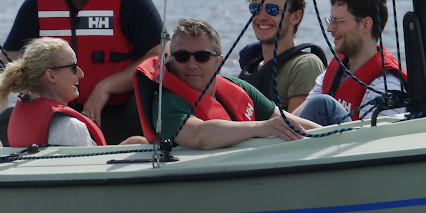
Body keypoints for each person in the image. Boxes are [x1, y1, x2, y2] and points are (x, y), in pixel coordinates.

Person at [3, 0, 163, 144]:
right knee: (3, 120)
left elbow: (159, 55)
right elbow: (10, 56)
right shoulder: (38, 2)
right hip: (57, 112)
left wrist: (106, 86)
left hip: (119, 111)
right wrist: (36, 86)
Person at [134, 18, 321, 149]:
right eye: (182, 56)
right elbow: (200, 136)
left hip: (251, 166)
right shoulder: (167, 101)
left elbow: (287, 119)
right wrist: (262, 127)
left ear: (219, 63)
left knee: (322, 105)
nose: (192, 65)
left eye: (202, 57)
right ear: (171, 60)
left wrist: (333, 135)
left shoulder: (238, 87)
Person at [0, 38, 146, 147]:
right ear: (51, 76)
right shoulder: (71, 128)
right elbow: (94, 174)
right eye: (73, 67)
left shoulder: (12, 119)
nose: (80, 74)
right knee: (140, 143)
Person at [296, 0, 407, 123]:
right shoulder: (333, 72)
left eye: (337, 21)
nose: (330, 28)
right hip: (324, 142)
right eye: (330, 21)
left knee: (323, 104)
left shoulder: (385, 86)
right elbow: (297, 118)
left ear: (365, 25)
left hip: (353, 144)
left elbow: (372, 142)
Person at [237, 0, 326, 111]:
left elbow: (298, 130)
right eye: (256, 8)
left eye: (272, 9)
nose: (262, 16)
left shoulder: (304, 65)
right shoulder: (251, 66)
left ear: (295, 17)